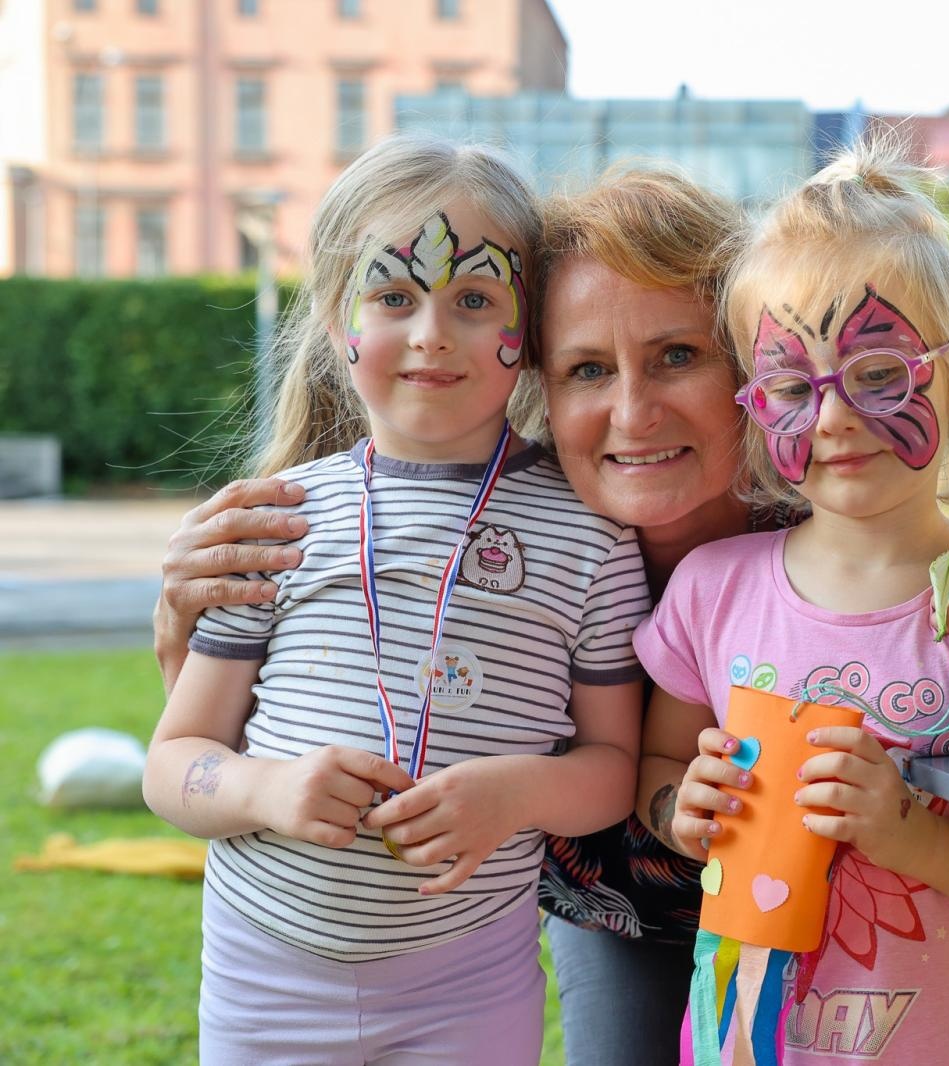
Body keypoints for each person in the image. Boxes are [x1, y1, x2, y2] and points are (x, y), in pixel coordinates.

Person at [152, 165, 949, 1066]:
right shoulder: (500, 539)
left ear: (751, 369)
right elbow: (252, 727)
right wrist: (191, 632)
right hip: (617, 909)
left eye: (678, 355)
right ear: (538, 385)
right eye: (587, 368)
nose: (633, 412)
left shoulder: (853, 520)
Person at [141, 134, 649, 1064]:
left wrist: (519, 791)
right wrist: (267, 787)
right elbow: (174, 763)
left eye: (474, 298)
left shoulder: (592, 535)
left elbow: (615, 763)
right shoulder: (277, 521)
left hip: (469, 981)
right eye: (392, 296)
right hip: (265, 978)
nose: (430, 332)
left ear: (526, 329)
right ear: (338, 321)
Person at [634, 141, 949, 1064]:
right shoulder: (713, 590)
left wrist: (909, 835)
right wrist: (678, 810)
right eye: (789, 386)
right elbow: (661, 762)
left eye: (879, 374)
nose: (831, 417)